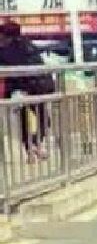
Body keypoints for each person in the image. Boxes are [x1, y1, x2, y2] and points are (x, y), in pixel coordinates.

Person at [0, 21, 53, 160]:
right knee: (39, 119)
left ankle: (33, 147)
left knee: (36, 119)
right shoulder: (27, 45)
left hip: (27, 88)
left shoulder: (9, 49)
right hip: (30, 88)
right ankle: (33, 147)